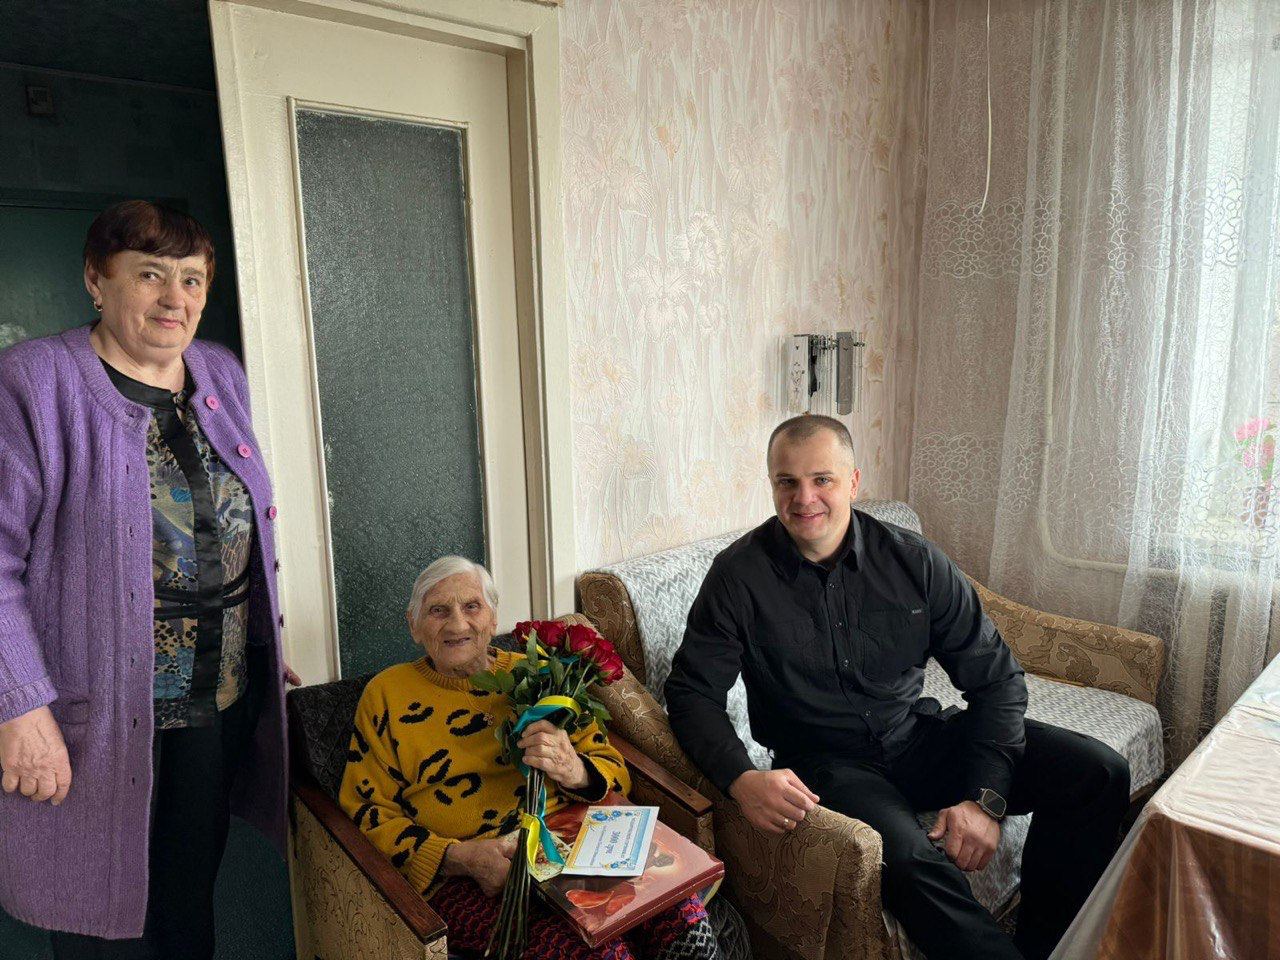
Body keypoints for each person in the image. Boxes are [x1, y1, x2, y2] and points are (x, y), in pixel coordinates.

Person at [664, 415, 1130, 960]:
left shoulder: (916, 561)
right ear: (772, 485)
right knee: (908, 859)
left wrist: (985, 797)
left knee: (1098, 772)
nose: (804, 498)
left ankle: (1050, 946)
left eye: (822, 479)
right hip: (828, 767)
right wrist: (741, 778)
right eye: (787, 481)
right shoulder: (737, 576)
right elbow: (692, 693)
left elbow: (997, 679)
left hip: (917, 737)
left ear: (854, 482)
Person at [0, 200, 293, 959]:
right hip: (92, 713)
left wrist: (254, 636)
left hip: (211, 703)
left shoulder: (219, 371)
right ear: (96, 280)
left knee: (187, 906)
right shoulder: (37, 382)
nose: (174, 298)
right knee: (100, 922)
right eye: (150, 274)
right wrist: (18, 705)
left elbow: (233, 524)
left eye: (192, 279)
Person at [341, 555, 721, 960]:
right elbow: (368, 812)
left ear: (492, 618)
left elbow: (611, 767)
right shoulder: (387, 695)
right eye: (438, 611)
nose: (457, 624)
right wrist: (458, 858)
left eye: (471, 606)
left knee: (681, 917)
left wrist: (574, 769)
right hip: (471, 874)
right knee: (596, 951)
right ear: (414, 625)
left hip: (576, 844)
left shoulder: (539, 675)